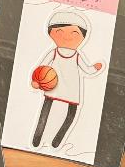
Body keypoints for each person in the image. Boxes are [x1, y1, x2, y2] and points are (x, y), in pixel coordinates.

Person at [32, 11, 102, 148]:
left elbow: (87, 70)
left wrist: (95, 68)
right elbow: (42, 67)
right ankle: (37, 137)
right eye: (60, 32)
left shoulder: (77, 56)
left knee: (71, 114)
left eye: (74, 33)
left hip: (72, 87)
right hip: (53, 85)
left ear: (83, 37)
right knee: (45, 111)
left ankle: (57, 140)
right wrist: (36, 81)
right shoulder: (53, 52)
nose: (67, 37)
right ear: (51, 33)